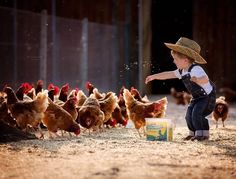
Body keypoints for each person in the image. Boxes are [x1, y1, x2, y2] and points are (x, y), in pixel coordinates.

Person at [145, 37, 216, 141]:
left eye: (175, 59)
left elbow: (206, 79)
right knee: (189, 115)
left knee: (197, 114)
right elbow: (169, 74)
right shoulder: (182, 70)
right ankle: (193, 133)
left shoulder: (196, 69)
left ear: (185, 60)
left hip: (207, 97)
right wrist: (154, 76)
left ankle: (202, 134)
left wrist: (197, 80)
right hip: (197, 97)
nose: (174, 61)